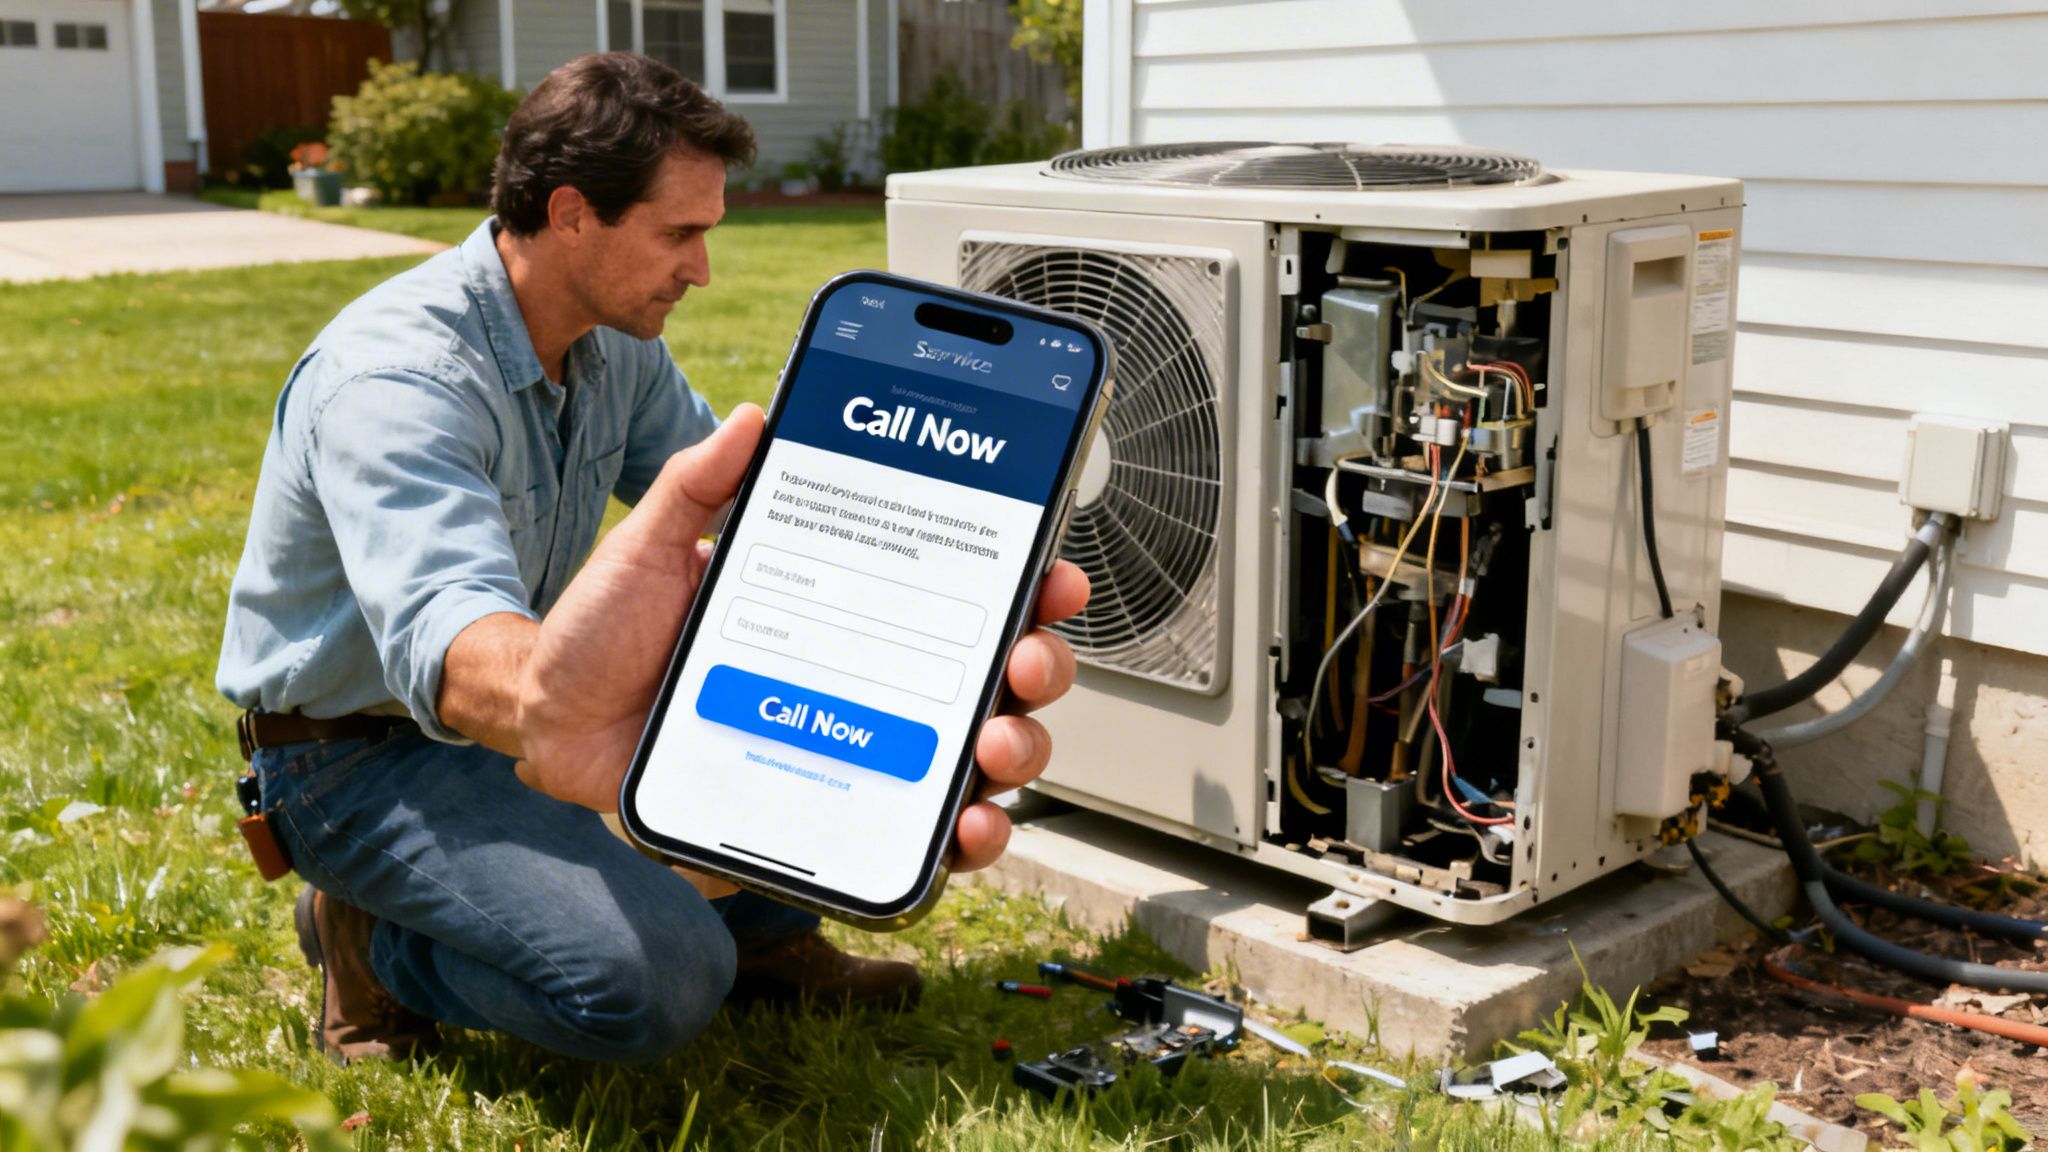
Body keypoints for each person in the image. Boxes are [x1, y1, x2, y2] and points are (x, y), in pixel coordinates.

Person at [215, 52, 1085, 1064]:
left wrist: (907, 572)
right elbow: (453, 649)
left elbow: (740, 507)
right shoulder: (396, 381)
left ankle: (761, 929)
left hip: (526, 718)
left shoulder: (609, 340)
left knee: (771, 677)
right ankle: (370, 939)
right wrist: (578, 703)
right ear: (573, 212)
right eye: (681, 233)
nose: (702, 270)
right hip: (354, 759)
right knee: (653, 983)